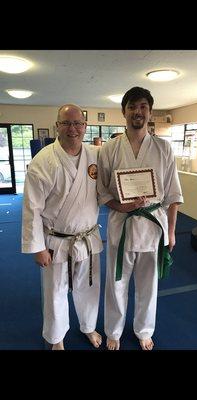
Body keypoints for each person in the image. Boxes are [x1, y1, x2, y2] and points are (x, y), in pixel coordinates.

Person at [97, 87, 183, 351]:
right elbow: (101, 192)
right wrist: (120, 207)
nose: (138, 111)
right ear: (124, 111)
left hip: (152, 227)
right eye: (133, 106)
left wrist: (171, 232)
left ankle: (144, 330)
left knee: (148, 286)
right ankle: (113, 331)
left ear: (149, 111)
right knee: (116, 284)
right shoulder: (109, 149)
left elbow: (172, 194)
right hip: (120, 226)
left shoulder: (163, 148)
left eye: (143, 106)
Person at [22, 104, 103, 350]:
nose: (73, 128)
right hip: (57, 241)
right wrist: (37, 247)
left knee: (89, 287)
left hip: (88, 237)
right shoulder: (43, 160)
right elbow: (32, 208)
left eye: (78, 123)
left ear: (85, 127)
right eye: (66, 123)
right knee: (55, 292)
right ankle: (56, 337)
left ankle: (88, 326)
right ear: (57, 125)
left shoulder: (96, 155)